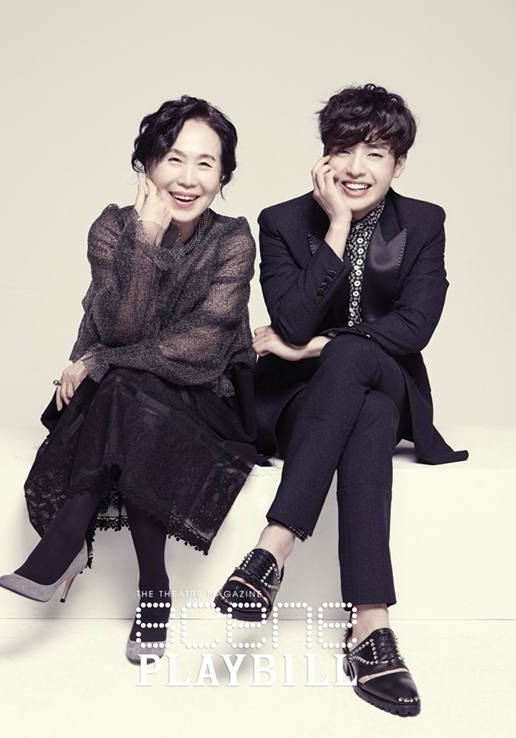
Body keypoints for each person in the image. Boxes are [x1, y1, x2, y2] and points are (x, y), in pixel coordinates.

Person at [214, 84, 468, 716]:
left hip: (387, 376)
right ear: (324, 156)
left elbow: (414, 328)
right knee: (370, 417)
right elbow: (291, 319)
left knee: (356, 361)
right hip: (303, 403)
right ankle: (370, 627)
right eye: (344, 149)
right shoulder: (281, 221)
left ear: (399, 164)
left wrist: (318, 346)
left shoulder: (425, 222)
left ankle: (273, 546)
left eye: (375, 153)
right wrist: (336, 228)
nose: (357, 167)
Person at [0, 95, 257, 663]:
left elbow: (203, 346)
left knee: (124, 384)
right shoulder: (113, 228)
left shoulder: (233, 239)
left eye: (206, 163)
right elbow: (122, 329)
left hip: (206, 399)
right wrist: (145, 239)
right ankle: (154, 589)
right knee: (129, 390)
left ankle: (67, 540)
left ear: (223, 176)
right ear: (147, 164)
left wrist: (98, 361)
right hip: (122, 400)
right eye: (173, 158)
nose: (187, 178)